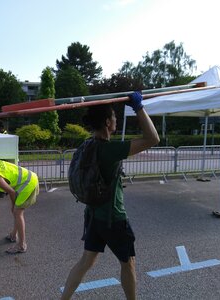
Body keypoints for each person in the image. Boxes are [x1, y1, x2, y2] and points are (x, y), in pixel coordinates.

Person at [60, 92, 159, 300]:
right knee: (128, 262)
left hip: (93, 214)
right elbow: (153, 138)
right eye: (114, 117)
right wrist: (139, 108)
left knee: (86, 261)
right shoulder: (110, 149)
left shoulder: (87, 145)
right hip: (113, 217)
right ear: (107, 122)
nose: (116, 120)